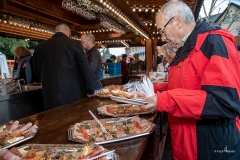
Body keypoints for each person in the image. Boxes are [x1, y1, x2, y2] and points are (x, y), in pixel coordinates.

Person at [141, 0, 240, 160]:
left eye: (162, 31)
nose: (163, 37)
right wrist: (156, 91)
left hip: (211, 146)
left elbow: (223, 102)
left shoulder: (214, 42)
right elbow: (186, 86)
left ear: (178, 22)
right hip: (187, 143)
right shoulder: (186, 47)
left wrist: (165, 99)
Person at [33, 23, 94, 110]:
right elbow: (85, 68)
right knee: (73, 121)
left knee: (53, 120)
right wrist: (90, 90)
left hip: (49, 94)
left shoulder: (39, 47)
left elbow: (36, 71)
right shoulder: (75, 44)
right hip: (72, 93)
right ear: (68, 32)